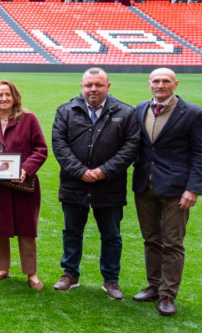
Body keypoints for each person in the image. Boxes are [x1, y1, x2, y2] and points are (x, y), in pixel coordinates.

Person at [52, 68, 140, 299]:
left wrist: (104, 171)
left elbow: (131, 147)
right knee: (72, 231)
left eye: (98, 85)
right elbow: (59, 144)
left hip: (109, 185)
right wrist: (80, 171)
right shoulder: (66, 110)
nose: (93, 89)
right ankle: (70, 274)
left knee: (111, 234)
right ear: (81, 86)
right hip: (74, 183)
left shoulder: (126, 112)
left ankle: (111, 280)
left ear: (108, 86)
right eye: (89, 85)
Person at [131, 68, 202, 317]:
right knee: (151, 239)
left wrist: (193, 188)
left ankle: (167, 295)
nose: (160, 85)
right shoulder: (139, 109)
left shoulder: (193, 113)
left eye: (166, 81)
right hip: (145, 185)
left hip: (177, 189)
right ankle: (154, 286)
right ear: (149, 84)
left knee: (173, 243)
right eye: (156, 81)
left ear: (175, 84)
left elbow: (201, 153)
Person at [0, 80, 49, 290]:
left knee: (26, 229)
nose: (4, 99)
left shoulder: (28, 119)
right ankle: (3, 269)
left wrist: (26, 169)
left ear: (15, 96)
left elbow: (41, 149)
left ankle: (31, 273)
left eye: (7, 94)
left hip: (23, 184)